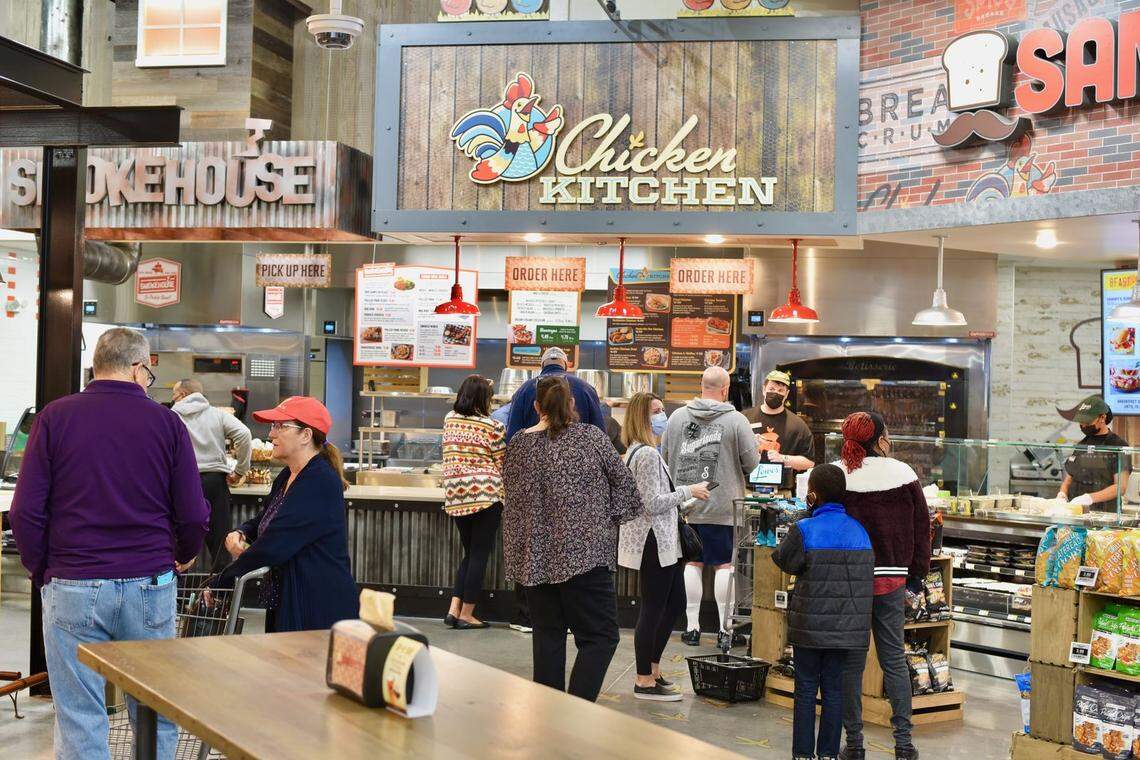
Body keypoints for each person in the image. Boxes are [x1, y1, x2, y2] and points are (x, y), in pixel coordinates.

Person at [10, 328, 209, 760]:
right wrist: (181, 553)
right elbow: (193, 513)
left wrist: (44, 569)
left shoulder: (55, 417)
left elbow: (25, 512)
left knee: (80, 715)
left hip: (73, 584)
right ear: (139, 367)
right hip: (150, 586)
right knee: (154, 708)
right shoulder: (166, 424)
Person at [502, 375, 643, 701]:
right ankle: (576, 708)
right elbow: (626, 489)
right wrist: (604, 522)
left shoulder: (519, 445)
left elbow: (513, 499)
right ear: (571, 405)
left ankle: (552, 720)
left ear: (537, 407)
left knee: (547, 637)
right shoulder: (591, 437)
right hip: (586, 557)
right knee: (600, 637)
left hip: (535, 560)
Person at [214, 396, 358, 633]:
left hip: (317, 606)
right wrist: (243, 531)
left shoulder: (318, 481)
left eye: (280, 426)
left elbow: (275, 544)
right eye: (273, 426)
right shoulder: (289, 475)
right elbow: (266, 517)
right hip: (289, 597)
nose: (271, 434)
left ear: (306, 435)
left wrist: (222, 581)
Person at [835, 411, 930, 760]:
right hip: (892, 579)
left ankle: (855, 745)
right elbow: (923, 529)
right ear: (879, 439)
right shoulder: (903, 473)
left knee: (851, 665)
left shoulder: (837, 473)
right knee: (893, 661)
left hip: (850, 582)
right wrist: (917, 575)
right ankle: (903, 745)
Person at [772, 464, 873, 760]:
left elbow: (784, 560)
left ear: (812, 495)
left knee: (805, 690)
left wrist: (805, 515)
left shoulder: (804, 529)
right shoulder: (861, 532)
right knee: (834, 692)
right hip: (846, 630)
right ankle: (828, 754)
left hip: (809, 628)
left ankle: (803, 755)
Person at [660, 366, 760, 649]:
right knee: (723, 566)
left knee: (692, 563)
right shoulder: (737, 421)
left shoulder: (677, 417)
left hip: (685, 506)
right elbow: (752, 464)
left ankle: (691, 628)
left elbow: (664, 456)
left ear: (701, 385)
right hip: (722, 506)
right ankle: (725, 631)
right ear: (725, 389)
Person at [618, 392, 710, 701]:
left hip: (663, 539)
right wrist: (688, 491)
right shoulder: (645, 454)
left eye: (662, 410)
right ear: (642, 418)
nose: (662, 417)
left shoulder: (643, 452)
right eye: (656, 411)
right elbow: (652, 502)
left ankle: (653, 670)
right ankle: (644, 678)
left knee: (672, 605)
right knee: (654, 608)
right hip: (653, 541)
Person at [442, 375, 506, 630]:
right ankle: (467, 614)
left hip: (456, 494)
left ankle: (453, 608)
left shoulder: (449, 419)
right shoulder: (493, 426)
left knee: (470, 554)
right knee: (479, 555)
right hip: (485, 494)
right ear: (485, 399)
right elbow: (502, 463)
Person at [171, 378, 252, 569]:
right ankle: (217, 593)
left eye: (174, 395)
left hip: (183, 483)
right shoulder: (216, 414)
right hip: (215, 482)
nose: (173, 399)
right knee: (219, 545)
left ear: (183, 395)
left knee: (179, 542)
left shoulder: (171, 417)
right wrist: (240, 470)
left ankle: (177, 593)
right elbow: (244, 434)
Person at [504, 347, 606, 442]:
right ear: (565, 365)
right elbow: (600, 433)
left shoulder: (524, 390)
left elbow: (512, 434)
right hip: (579, 456)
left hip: (533, 456)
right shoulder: (586, 388)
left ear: (542, 365)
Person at [1058, 394, 1131, 512]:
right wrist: (1062, 494)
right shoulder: (1082, 445)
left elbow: (1120, 487)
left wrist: (1089, 498)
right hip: (1076, 512)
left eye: (1087, 421)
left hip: (1104, 514)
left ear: (1102, 418)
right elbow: (1069, 477)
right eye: (1081, 421)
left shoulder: (1118, 446)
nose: (1083, 425)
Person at [747, 369, 815, 488]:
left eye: (780, 390)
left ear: (787, 394)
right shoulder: (745, 419)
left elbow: (809, 462)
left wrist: (783, 458)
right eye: (772, 389)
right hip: (748, 490)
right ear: (764, 389)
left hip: (783, 493)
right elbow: (731, 454)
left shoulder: (798, 425)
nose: (776, 393)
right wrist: (749, 445)